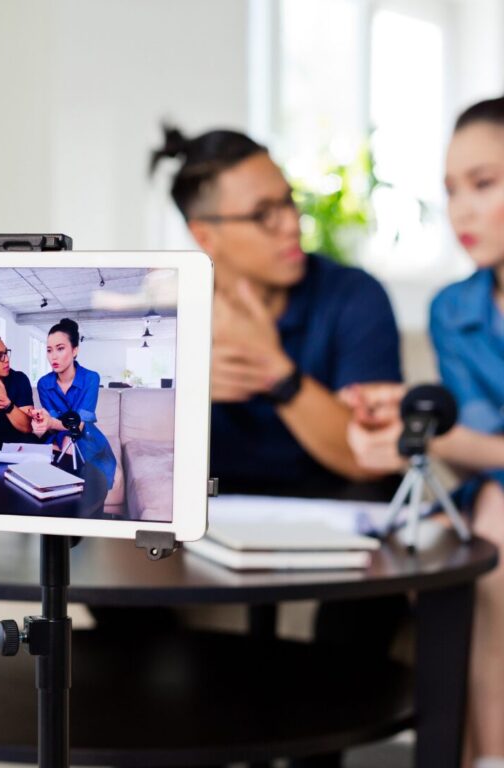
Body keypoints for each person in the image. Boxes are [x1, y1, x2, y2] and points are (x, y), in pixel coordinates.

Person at [346, 96, 504, 768]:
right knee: (456, 535)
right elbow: (479, 447)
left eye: (484, 183)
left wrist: (429, 433)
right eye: (450, 191)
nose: (461, 210)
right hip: (493, 492)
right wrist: (411, 421)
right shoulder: (454, 309)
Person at [150, 126, 402, 498]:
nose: (291, 223)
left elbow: (367, 459)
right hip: (213, 523)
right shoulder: (167, 314)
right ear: (205, 236)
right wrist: (185, 391)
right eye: (263, 214)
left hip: (339, 516)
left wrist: (273, 370)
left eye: (289, 201)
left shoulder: (354, 296)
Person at [32, 318, 117, 492]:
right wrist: (41, 424)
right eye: (49, 350)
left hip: (85, 435)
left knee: (70, 452)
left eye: (60, 348)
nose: (53, 356)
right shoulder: (43, 384)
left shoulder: (91, 378)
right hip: (57, 436)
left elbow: (79, 424)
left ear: (75, 350)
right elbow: (52, 425)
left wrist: (51, 423)